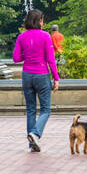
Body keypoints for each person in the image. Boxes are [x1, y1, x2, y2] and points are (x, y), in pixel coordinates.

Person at [13, 8, 59, 152]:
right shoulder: (45, 36)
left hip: (27, 75)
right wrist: (56, 78)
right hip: (41, 74)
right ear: (39, 21)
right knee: (45, 109)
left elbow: (16, 58)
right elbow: (51, 60)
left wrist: (27, 56)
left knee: (30, 109)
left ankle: (32, 144)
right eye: (42, 20)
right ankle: (35, 133)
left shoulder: (22, 37)